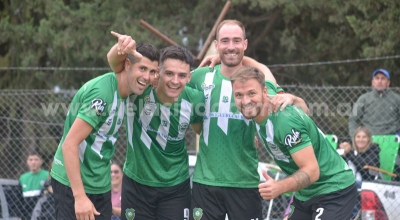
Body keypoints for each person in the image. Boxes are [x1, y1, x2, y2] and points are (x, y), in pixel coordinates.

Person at [188, 19, 309, 219]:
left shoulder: (258, 81)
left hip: (245, 182)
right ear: (216, 45)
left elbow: (302, 109)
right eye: (225, 41)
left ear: (245, 44)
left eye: (237, 41)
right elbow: (171, 85)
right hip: (205, 183)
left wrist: (294, 98)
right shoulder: (200, 76)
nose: (231, 47)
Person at [50, 33, 160, 220]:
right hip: (74, 186)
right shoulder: (103, 95)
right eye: (142, 68)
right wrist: (80, 197)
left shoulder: (132, 90)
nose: (147, 77)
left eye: (152, 72)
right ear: (127, 65)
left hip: (100, 185)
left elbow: (175, 79)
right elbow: (70, 144)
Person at [230, 65, 357, 220]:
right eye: (238, 95)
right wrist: (225, 59)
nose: (246, 101)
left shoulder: (284, 121)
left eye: (251, 93)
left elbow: (312, 171)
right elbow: (264, 69)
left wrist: (278, 187)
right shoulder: (263, 102)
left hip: (333, 188)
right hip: (306, 192)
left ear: (264, 92)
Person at [108, 37, 204, 220]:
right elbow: (114, 64)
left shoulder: (195, 100)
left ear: (189, 77)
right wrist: (121, 47)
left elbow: (202, 131)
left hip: (176, 187)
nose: (175, 81)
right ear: (158, 73)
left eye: (182, 76)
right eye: (169, 73)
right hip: (136, 184)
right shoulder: (138, 91)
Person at [349, 68, 400, 137]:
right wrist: (355, 137)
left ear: (388, 83)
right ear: (372, 82)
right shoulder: (363, 98)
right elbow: (353, 119)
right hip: (368, 139)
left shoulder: (397, 99)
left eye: (383, 78)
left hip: (391, 138)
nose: (379, 81)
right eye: (377, 78)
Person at [19, 151, 49, 220]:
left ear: (41, 161)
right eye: (31, 160)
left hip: (42, 212)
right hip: (26, 213)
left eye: (36, 159)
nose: (33, 162)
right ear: (27, 162)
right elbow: (19, 198)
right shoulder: (22, 178)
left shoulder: (47, 175)